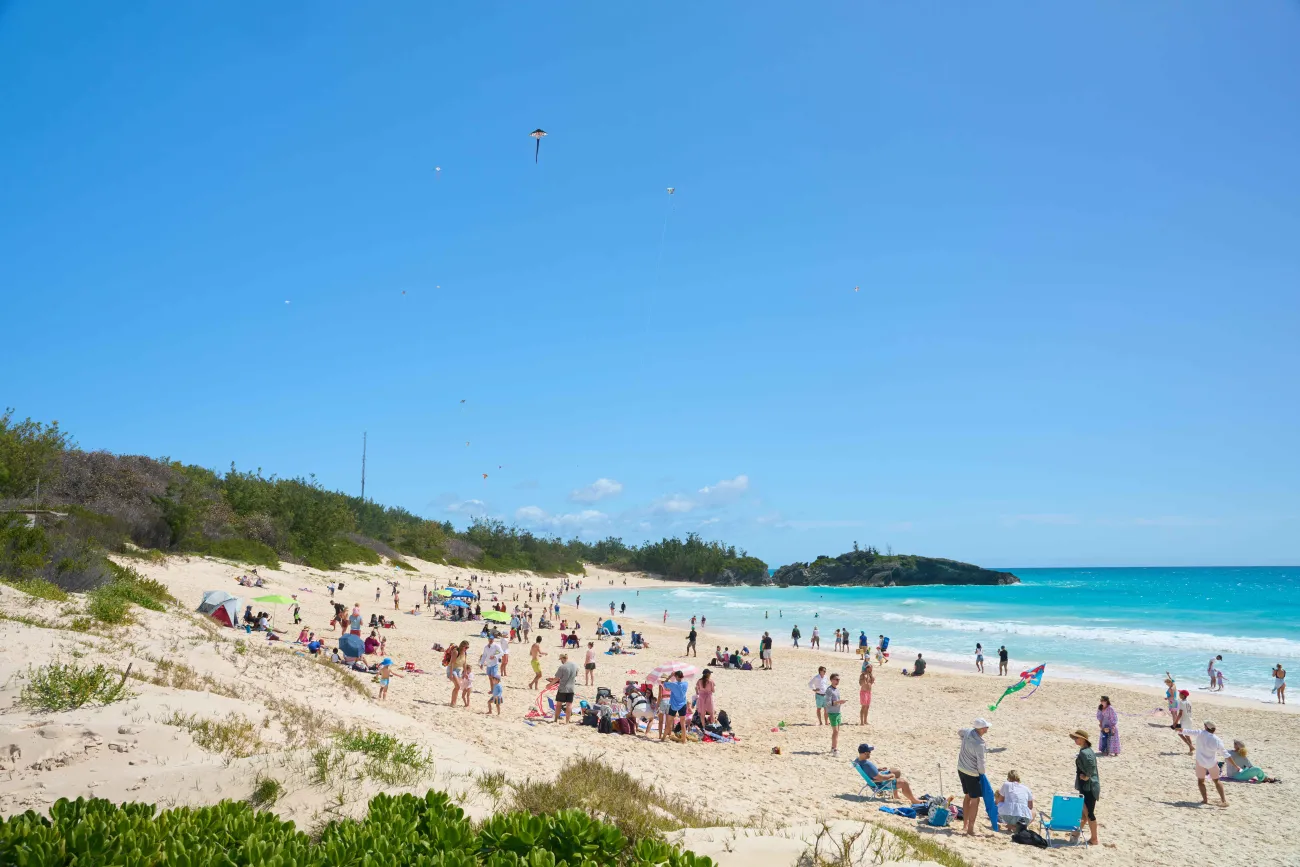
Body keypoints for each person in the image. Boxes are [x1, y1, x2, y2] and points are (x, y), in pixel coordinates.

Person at [956, 719, 990, 836]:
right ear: (980, 729)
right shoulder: (980, 744)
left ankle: (965, 825)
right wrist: (982, 774)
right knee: (975, 800)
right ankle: (970, 829)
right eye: (986, 727)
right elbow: (981, 765)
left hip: (961, 768)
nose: (987, 729)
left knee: (967, 796)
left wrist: (963, 740)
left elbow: (959, 732)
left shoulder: (968, 732)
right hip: (971, 773)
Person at [1183, 721, 1228, 806]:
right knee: (1217, 781)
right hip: (1212, 763)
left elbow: (1186, 731)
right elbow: (1224, 753)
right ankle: (1223, 800)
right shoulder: (1217, 739)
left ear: (1206, 727)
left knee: (1201, 781)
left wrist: (1177, 728)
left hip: (1200, 762)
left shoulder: (1200, 733)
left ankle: (1205, 800)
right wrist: (1235, 765)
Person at [1070, 729, 1101, 845]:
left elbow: (1091, 765)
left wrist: (1087, 776)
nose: (1075, 740)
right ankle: (1075, 835)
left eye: (1076, 738)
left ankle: (1094, 839)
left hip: (1089, 787)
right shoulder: (1087, 750)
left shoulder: (1085, 752)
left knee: (1089, 814)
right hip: (1089, 786)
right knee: (1083, 813)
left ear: (1083, 739)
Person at [662, 670, 690, 743]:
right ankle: (684, 740)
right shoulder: (686, 684)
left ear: (676, 676)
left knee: (669, 723)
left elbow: (664, 683)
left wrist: (670, 676)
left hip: (674, 705)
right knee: (682, 724)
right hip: (683, 704)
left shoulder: (673, 685)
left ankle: (663, 738)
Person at [549, 653, 578, 723]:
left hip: (563, 688)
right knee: (569, 704)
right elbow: (575, 675)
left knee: (559, 704)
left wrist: (549, 685)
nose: (560, 661)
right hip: (571, 688)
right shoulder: (575, 665)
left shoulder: (562, 667)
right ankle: (567, 721)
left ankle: (555, 719)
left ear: (562, 658)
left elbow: (556, 679)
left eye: (560, 659)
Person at [825, 673, 844, 756]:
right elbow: (828, 703)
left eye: (838, 680)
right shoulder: (829, 690)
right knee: (835, 731)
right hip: (832, 713)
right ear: (831, 680)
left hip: (838, 712)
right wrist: (838, 702)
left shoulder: (836, 689)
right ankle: (834, 749)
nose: (837, 681)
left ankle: (833, 747)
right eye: (836, 679)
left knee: (837, 732)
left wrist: (840, 702)